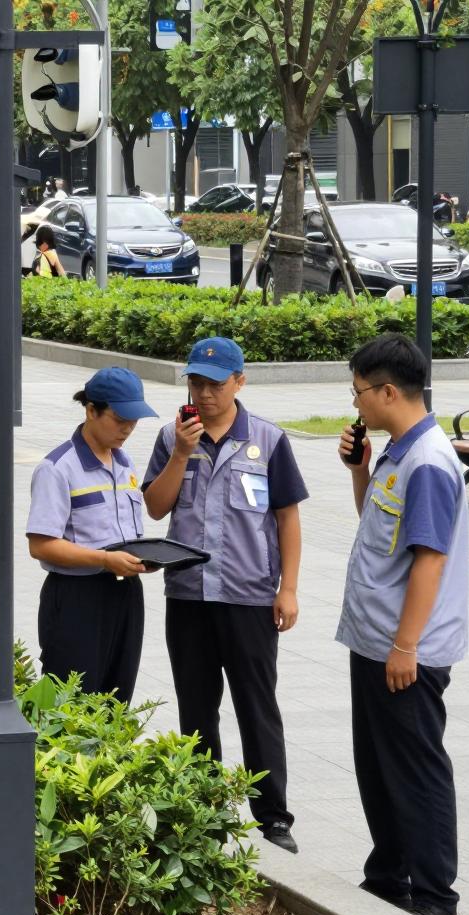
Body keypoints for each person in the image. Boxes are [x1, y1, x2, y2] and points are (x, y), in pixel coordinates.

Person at [142, 337, 308, 854]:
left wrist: (290, 590)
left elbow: (287, 517)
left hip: (249, 596)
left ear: (240, 382)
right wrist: (182, 453)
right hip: (188, 596)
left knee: (257, 706)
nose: (205, 393)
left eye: (216, 384)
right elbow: (154, 507)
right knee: (197, 708)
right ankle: (204, 810)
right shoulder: (172, 438)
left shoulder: (268, 440)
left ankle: (273, 817)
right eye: (196, 382)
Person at [336, 333, 469, 915]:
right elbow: (377, 524)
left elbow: (429, 560)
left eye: (360, 391)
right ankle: (388, 875)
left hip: (403, 649)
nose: (356, 403)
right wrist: (360, 471)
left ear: (389, 391)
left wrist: (406, 646)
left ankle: (436, 895)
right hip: (376, 640)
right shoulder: (394, 451)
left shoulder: (429, 462)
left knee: (415, 768)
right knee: (378, 765)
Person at [26, 367, 158, 703]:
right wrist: (104, 559)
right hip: (76, 598)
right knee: (70, 703)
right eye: (119, 418)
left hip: (125, 593)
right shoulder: (57, 468)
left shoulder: (123, 463)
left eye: (134, 419)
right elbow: (40, 545)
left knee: (117, 698)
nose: (128, 428)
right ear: (91, 410)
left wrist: (144, 558)